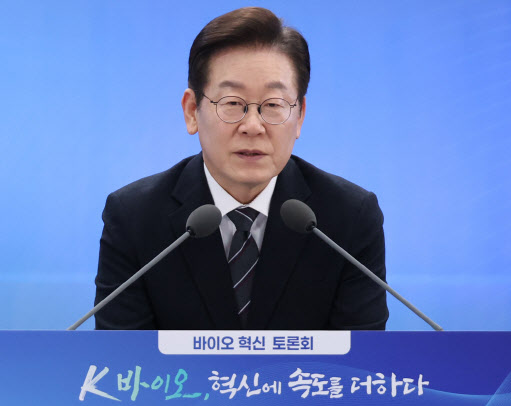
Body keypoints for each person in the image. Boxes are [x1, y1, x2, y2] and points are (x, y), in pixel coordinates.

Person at [94, 7, 389, 330]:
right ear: (192, 111)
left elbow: (362, 355)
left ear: (300, 116)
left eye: (273, 105)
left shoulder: (348, 219)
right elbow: (123, 356)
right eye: (233, 103)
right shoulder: (134, 218)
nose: (253, 126)